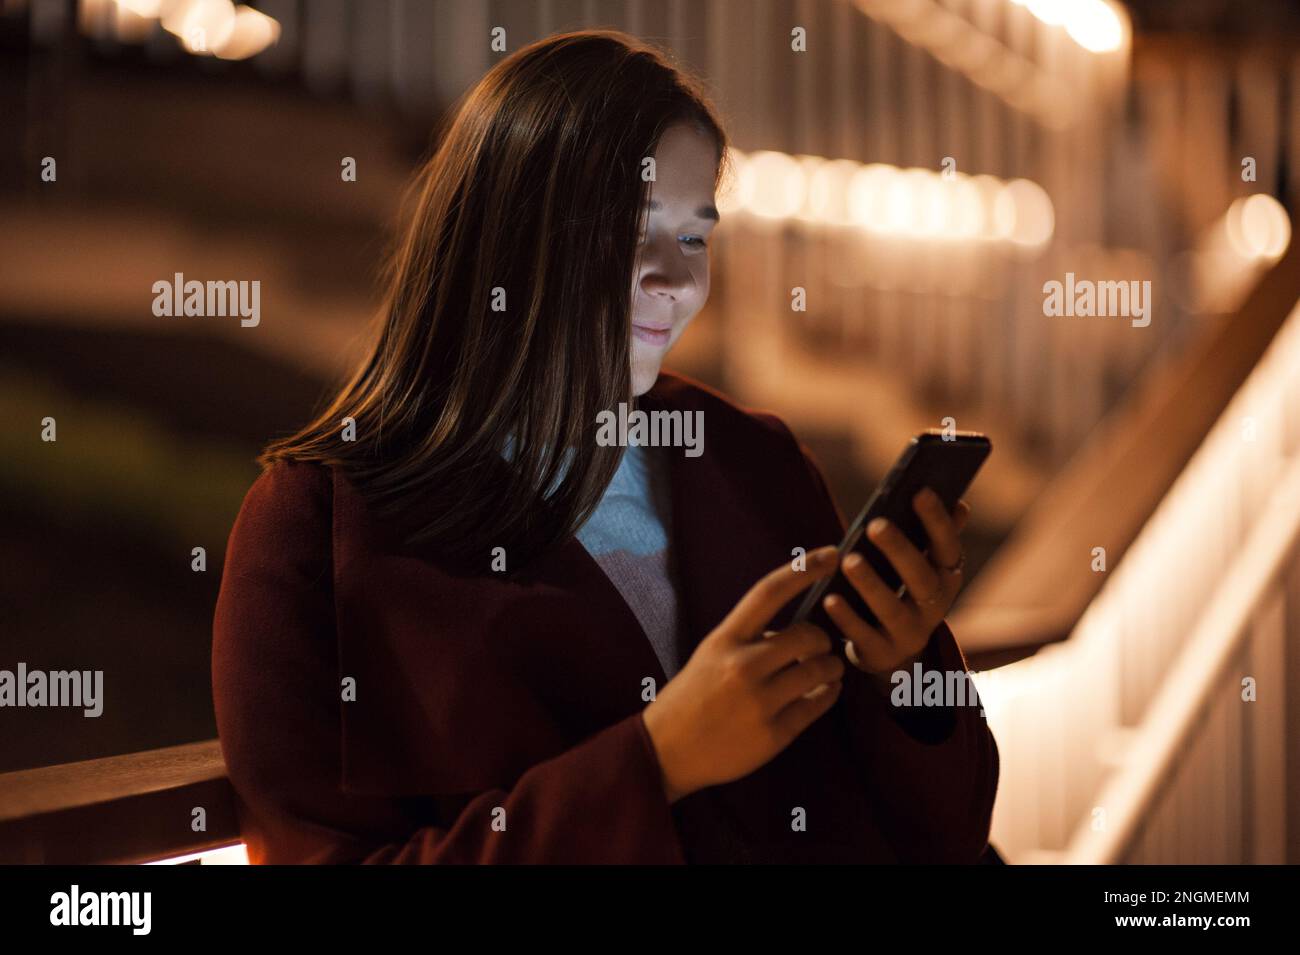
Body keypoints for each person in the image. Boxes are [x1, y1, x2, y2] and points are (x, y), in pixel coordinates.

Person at [212, 29, 999, 864]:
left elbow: (946, 833)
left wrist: (906, 672)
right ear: (503, 236)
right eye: (629, 229)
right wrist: (656, 762)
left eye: (694, 237)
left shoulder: (754, 462)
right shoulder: (315, 528)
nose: (676, 278)